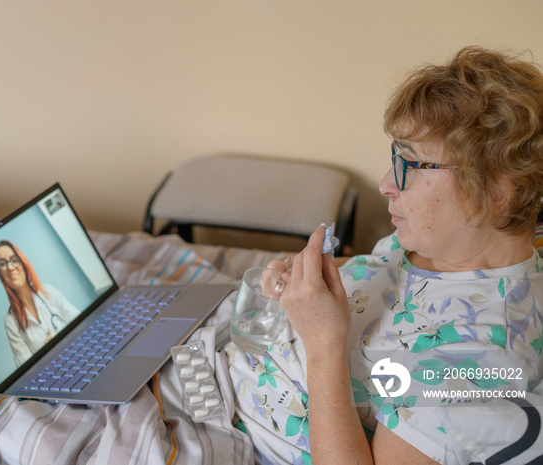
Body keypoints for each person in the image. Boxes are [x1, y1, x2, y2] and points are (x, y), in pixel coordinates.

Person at [225, 46, 543, 464]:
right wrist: (302, 280)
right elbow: (370, 283)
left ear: (498, 193)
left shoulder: (475, 361)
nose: (385, 184)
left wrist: (323, 342)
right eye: (396, 156)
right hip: (215, 359)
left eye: (411, 163)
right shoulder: (430, 244)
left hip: (222, 425)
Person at [0, 239, 80, 366]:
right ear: (0, 273)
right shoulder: (11, 322)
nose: (10, 267)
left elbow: (83, 324)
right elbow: (28, 372)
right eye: (2, 264)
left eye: (14, 260)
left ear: (23, 263)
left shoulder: (49, 292)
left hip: (78, 354)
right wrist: (48, 353)